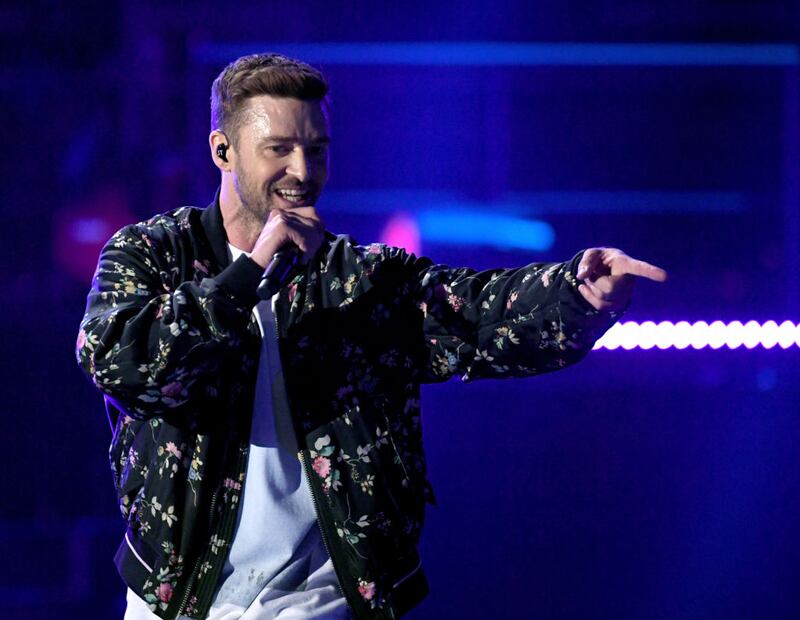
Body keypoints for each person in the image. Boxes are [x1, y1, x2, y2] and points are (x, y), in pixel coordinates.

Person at [76, 53, 667, 620]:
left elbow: (476, 312)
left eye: (316, 150)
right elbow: (119, 362)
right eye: (278, 150)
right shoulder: (153, 254)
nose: (303, 172)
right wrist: (246, 274)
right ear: (223, 150)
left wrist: (576, 291)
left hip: (326, 599)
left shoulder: (360, 279)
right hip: (179, 598)